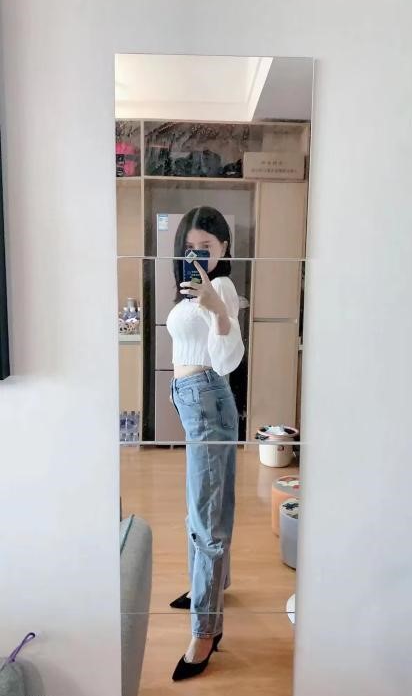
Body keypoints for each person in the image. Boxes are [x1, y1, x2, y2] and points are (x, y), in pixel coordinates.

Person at [166, 206, 245, 681]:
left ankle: (205, 630)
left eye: (206, 248)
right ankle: (210, 589)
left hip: (208, 397)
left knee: (207, 515)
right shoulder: (190, 289)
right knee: (203, 506)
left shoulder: (224, 288)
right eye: (189, 248)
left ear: (223, 249)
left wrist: (216, 309)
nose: (196, 256)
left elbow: (227, 359)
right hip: (192, 400)